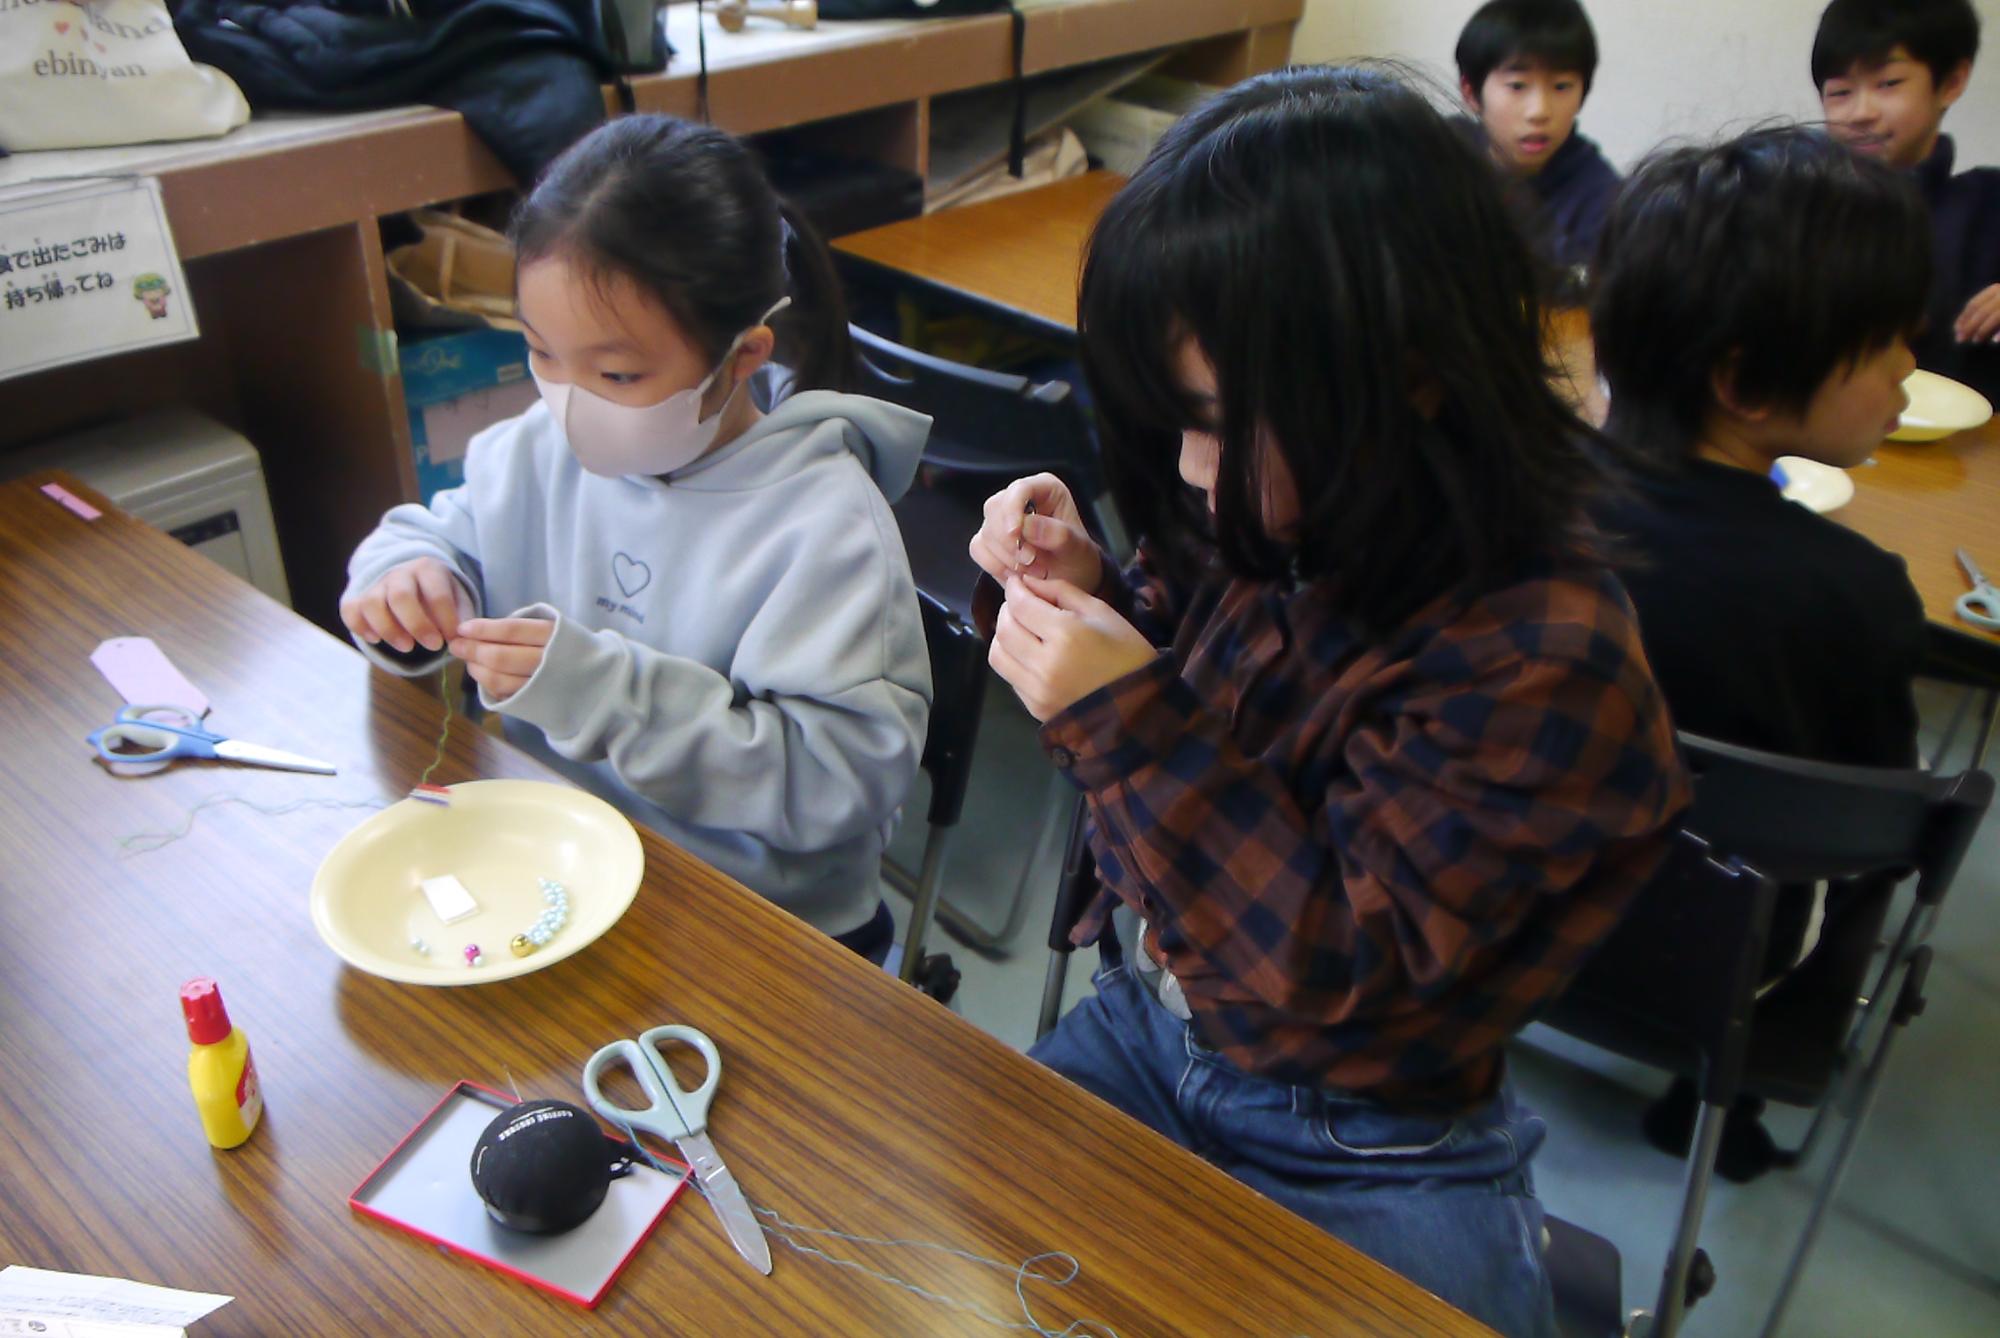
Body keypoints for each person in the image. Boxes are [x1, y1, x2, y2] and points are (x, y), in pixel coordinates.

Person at [968, 66, 1688, 1338]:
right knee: (923, 1245)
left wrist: (1122, 716)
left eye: (1213, 425)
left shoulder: (1546, 656)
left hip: (1369, 1135)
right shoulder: (1298, 507)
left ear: (1407, 377)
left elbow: (1332, 990)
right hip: (1150, 1024)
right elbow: (1189, 665)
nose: (1188, 475)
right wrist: (1093, 601)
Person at [340, 115, 932, 964]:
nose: (571, 401)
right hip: (562, 863)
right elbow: (436, 537)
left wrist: (600, 695)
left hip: (759, 925)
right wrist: (411, 580)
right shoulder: (534, 451)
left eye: (617, 374)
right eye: (543, 354)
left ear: (740, 357)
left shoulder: (825, 529)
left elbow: (841, 779)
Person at [1591, 125, 1932, 1179]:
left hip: (1492, 902)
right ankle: (1715, 1110)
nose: (1908, 371)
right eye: (1882, 345)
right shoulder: (1851, 592)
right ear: (1740, 381)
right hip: (1708, 969)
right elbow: (1876, 824)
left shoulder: (1510, 503)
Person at [1815, 0, 2000, 399]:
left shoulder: (1989, 203)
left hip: (1959, 453)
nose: (1861, 113)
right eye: (1841, 92)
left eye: (1888, 84)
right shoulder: (1796, 208)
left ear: (1951, 82)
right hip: (1817, 443)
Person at [1456, 0, 1622, 284]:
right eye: (1517, 86)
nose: (1540, 112)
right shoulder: (1440, 151)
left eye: (1561, 87)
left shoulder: (1602, 199)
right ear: (1471, 93)